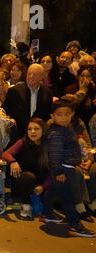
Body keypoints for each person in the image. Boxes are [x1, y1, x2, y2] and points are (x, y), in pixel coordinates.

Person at [41, 97, 95, 238]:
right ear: (53, 117)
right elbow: (54, 155)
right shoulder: (56, 133)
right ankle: (75, 224)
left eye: (67, 114)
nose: (64, 118)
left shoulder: (66, 129)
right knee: (69, 198)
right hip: (63, 169)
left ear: (72, 114)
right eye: (59, 115)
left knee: (54, 191)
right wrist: (59, 171)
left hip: (65, 168)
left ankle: (46, 213)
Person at [2, 118, 49, 220]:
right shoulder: (22, 142)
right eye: (29, 129)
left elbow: (52, 171)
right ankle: (25, 207)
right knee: (28, 177)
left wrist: (43, 186)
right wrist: (13, 162)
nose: (32, 132)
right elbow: (5, 154)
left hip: (40, 184)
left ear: (43, 130)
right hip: (22, 181)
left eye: (36, 129)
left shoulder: (49, 146)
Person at [2, 64, 52, 139]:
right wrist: (10, 120)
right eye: (29, 74)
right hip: (17, 134)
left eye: (35, 74)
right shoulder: (14, 91)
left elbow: (48, 114)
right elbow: (5, 110)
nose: (31, 76)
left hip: (38, 137)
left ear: (42, 77)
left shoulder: (47, 93)